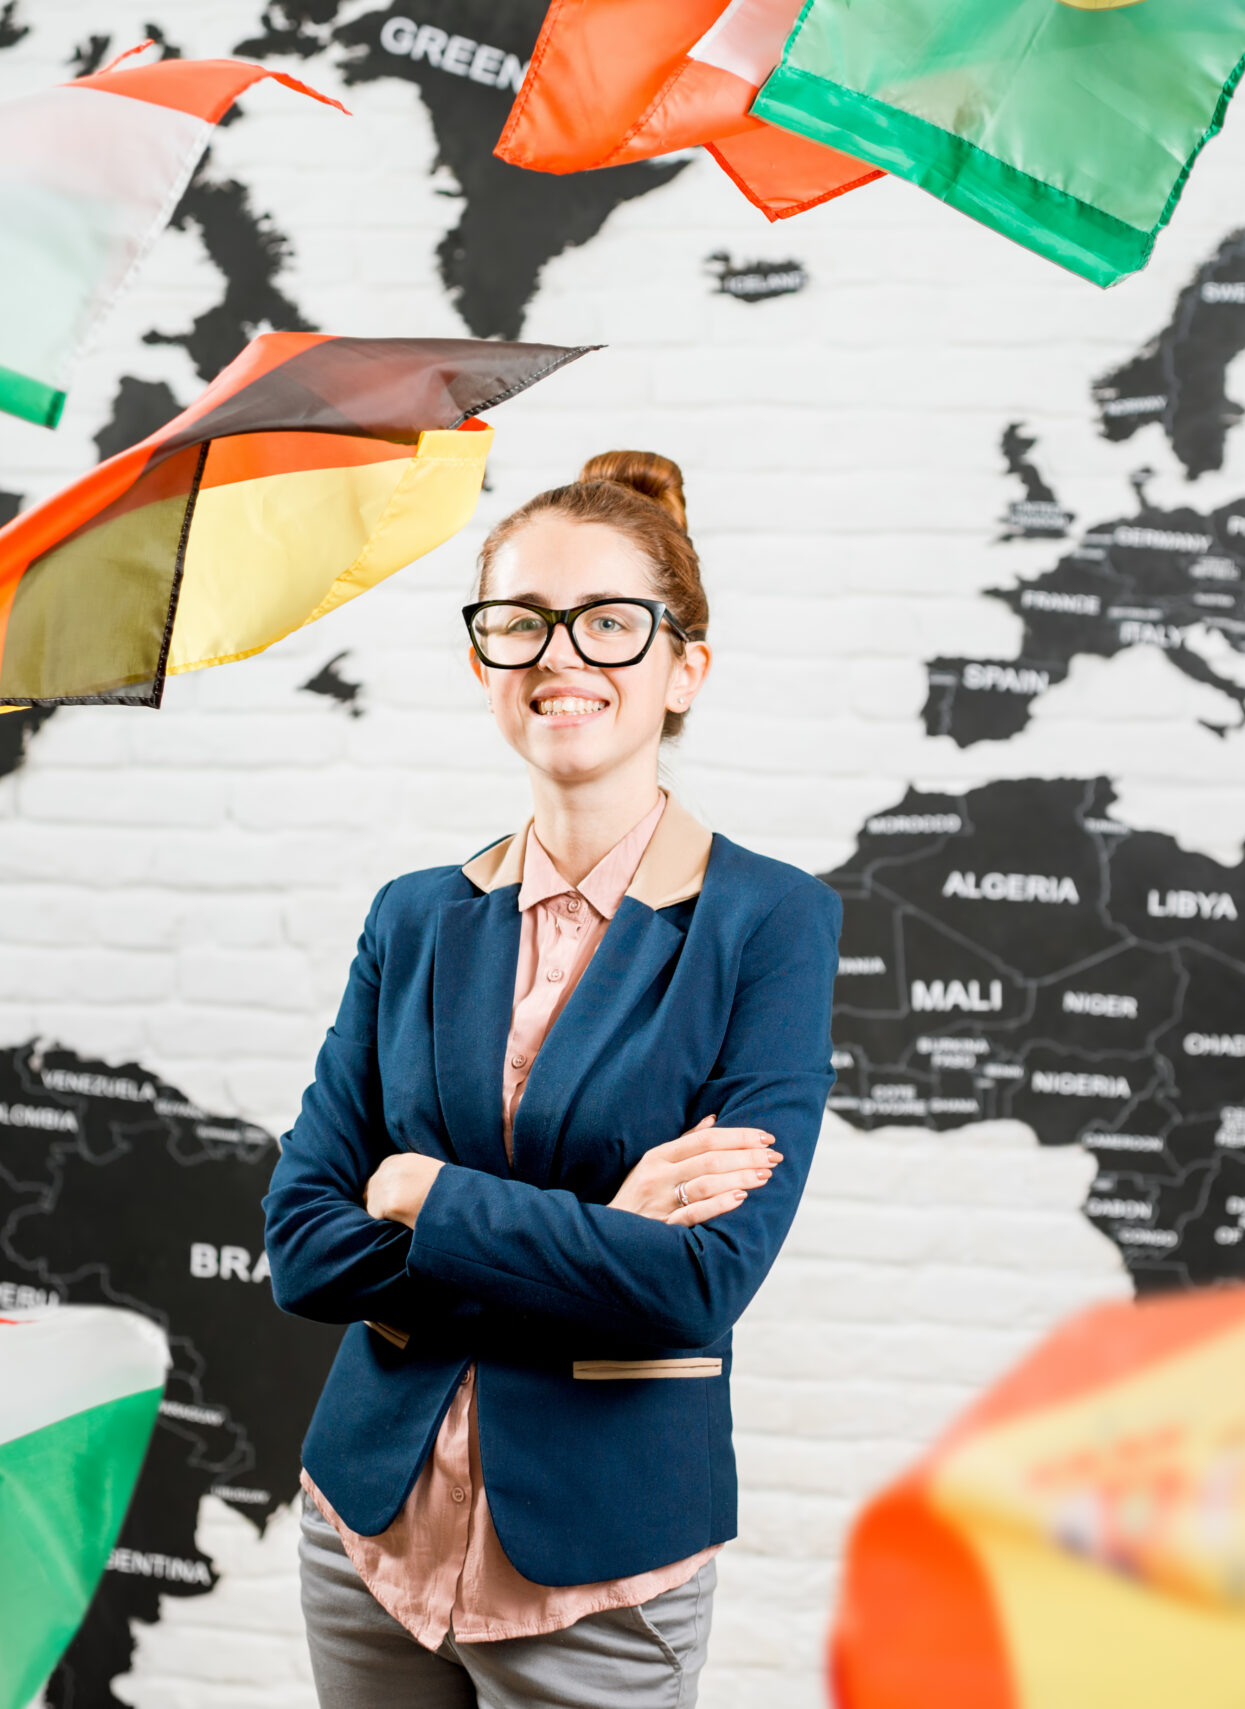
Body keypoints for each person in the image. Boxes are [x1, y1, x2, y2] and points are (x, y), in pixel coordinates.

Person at [263, 450, 843, 1708]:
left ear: (683, 664)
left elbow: (695, 1285)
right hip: (366, 1526)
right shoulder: (412, 917)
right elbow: (303, 1250)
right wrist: (593, 1239)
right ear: (481, 661)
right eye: (518, 622)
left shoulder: (769, 922)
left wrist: (423, 1188)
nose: (558, 655)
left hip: (599, 1561)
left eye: (609, 623)